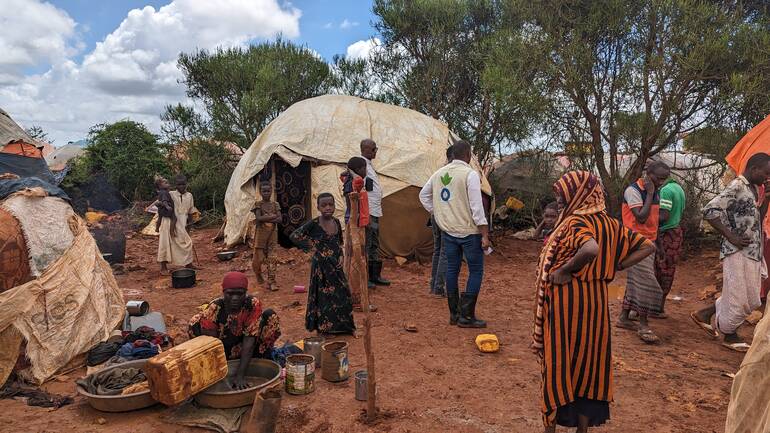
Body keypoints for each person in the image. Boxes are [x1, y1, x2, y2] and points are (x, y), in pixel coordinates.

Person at [532, 171, 655, 433]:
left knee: (559, 362)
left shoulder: (576, 223)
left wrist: (566, 270)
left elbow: (590, 249)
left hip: (567, 303)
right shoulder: (610, 224)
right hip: (596, 305)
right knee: (590, 364)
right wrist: (618, 264)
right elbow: (647, 246)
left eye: (563, 198)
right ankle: (583, 429)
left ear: (579, 195)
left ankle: (550, 428)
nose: (561, 203)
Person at [691, 152, 770, 352]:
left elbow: (757, 221)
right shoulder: (737, 186)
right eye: (766, 173)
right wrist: (731, 237)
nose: (767, 178)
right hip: (737, 251)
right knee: (738, 297)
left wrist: (767, 198)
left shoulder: (753, 189)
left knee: (751, 298)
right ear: (754, 169)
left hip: (752, 251)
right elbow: (710, 210)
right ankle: (729, 335)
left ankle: (705, 314)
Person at [419, 140, 491, 328]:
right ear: (468, 155)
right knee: (475, 271)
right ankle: (466, 317)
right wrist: (484, 233)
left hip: (448, 231)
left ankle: (454, 314)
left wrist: (438, 212)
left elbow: (423, 195)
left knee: (452, 269)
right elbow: (476, 208)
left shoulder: (439, 173)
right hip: (470, 233)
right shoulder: (470, 174)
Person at [188, 271, 281, 390]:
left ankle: (260, 358)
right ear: (223, 293)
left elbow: (249, 340)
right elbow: (212, 348)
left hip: (244, 345)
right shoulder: (214, 309)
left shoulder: (252, 304)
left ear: (245, 293)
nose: (235, 298)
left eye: (240, 294)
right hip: (222, 349)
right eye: (230, 294)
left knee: (270, 316)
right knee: (194, 322)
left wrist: (240, 376)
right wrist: (220, 377)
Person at [616, 161, 670, 344]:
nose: (661, 181)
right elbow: (641, 217)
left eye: (665, 178)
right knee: (647, 282)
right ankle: (643, 324)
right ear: (648, 173)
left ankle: (624, 317)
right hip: (635, 243)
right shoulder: (633, 191)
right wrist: (649, 193)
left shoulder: (655, 191)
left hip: (649, 243)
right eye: (659, 177)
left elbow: (654, 222)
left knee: (636, 281)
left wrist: (659, 246)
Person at [290, 193, 356, 335]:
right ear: (318, 207)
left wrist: (341, 256)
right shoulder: (314, 224)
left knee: (343, 293)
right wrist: (311, 248)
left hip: (335, 265)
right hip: (320, 267)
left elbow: (339, 243)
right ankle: (324, 329)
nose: (328, 208)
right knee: (323, 297)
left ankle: (346, 327)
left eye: (330, 204)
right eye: (324, 205)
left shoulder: (337, 222)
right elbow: (295, 236)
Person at [340, 156, 376, 311]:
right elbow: (353, 206)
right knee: (357, 261)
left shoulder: (352, 181)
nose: (366, 170)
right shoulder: (354, 183)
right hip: (355, 225)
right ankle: (356, 301)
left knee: (354, 260)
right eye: (364, 168)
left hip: (354, 223)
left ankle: (351, 297)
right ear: (359, 169)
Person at [360, 139, 390, 287]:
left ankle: (374, 275)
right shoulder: (360, 164)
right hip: (368, 211)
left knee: (374, 243)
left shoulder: (369, 165)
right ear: (365, 149)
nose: (375, 151)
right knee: (368, 243)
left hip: (375, 210)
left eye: (375, 149)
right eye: (373, 149)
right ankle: (366, 278)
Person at [654, 175, 686, 316]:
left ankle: (653, 307)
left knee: (659, 270)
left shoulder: (665, 190)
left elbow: (664, 215)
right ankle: (659, 307)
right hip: (676, 232)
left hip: (666, 234)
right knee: (668, 270)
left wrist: (648, 218)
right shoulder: (678, 188)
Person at [428, 145, 455, 296]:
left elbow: (424, 194)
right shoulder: (454, 174)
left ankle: (433, 284)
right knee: (445, 252)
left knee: (437, 250)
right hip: (445, 218)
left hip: (436, 217)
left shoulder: (438, 173)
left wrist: (432, 210)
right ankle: (439, 287)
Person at [158, 174, 198, 274]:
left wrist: (190, 225)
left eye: (183, 184)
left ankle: (188, 263)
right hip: (168, 222)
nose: (181, 186)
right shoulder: (170, 194)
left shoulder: (189, 196)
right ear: (176, 185)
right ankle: (163, 267)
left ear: (186, 184)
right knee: (165, 243)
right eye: (179, 184)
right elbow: (161, 202)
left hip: (182, 223)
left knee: (187, 242)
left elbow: (190, 211)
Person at [252, 181, 282, 291]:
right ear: (260, 192)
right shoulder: (258, 204)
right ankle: (258, 273)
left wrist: (267, 217)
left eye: (268, 191)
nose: (266, 193)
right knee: (258, 259)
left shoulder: (276, 204)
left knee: (272, 258)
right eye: (264, 191)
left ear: (271, 191)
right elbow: (259, 218)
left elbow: (280, 219)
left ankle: (272, 281)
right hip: (260, 235)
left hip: (272, 235)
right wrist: (273, 216)